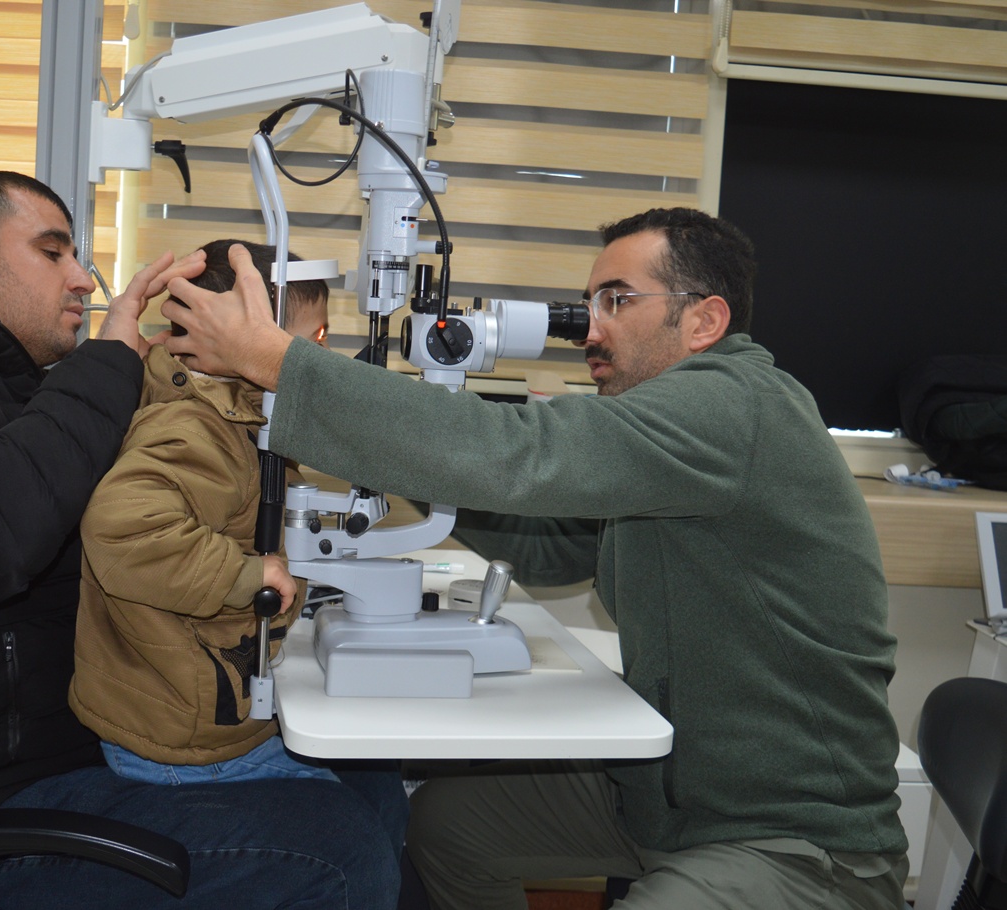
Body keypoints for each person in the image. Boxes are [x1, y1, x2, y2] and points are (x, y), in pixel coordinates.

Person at [160, 208, 909, 910]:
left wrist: (277, 360)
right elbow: (549, 544)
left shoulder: (734, 407)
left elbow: (522, 454)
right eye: (590, 303)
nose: (590, 329)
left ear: (706, 319)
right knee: (449, 825)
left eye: (618, 301)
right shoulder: (664, 450)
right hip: (665, 794)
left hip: (790, 835)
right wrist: (396, 457)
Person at [0, 170, 406, 909]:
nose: (80, 278)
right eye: (52, 253)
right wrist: (113, 355)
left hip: (67, 757)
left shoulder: (14, 383)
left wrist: (186, 366)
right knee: (340, 856)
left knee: (372, 785)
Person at [69, 238, 335, 785]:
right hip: (183, 742)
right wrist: (245, 575)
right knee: (354, 821)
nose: (324, 363)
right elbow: (121, 528)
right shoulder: (198, 429)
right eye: (312, 343)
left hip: (199, 712)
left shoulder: (237, 417)